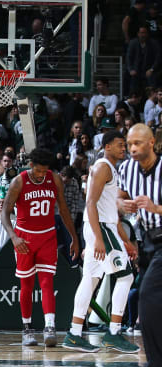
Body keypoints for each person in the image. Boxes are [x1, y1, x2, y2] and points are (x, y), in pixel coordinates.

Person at [63, 131, 139, 354]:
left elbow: (110, 213)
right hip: (100, 229)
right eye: (119, 144)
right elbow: (91, 205)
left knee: (90, 278)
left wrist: (125, 241)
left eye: (124, 145)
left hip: (104, 228)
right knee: (126, 277)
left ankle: (74, 334)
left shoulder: (110, 169)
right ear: (106, 146)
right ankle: (114, 333)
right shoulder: (102, 166)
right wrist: (97, 238)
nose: (123, 148)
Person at [1, 148, 79, 347]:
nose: (42, 174)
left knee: (47, 283)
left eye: (45, 171)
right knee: (26, 285)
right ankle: (27, 328)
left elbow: (63, 209)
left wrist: (74, 237)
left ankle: (49, 327)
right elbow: (4, 213)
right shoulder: (19, 181)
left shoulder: (55, 179)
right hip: (24, 238)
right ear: (31, 165)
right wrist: (14, 237)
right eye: (39, 171)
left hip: (47, 236)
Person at [117, 124, 162, 367]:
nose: (132, 148)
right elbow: (119, 198)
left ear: (152, 143)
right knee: (153, 303)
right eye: (129, 143)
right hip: (147, 240)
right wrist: (122, 204)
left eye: (137, 143)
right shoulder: (127, 168)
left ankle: (157, 365)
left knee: (147, 298)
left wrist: (156, 208)